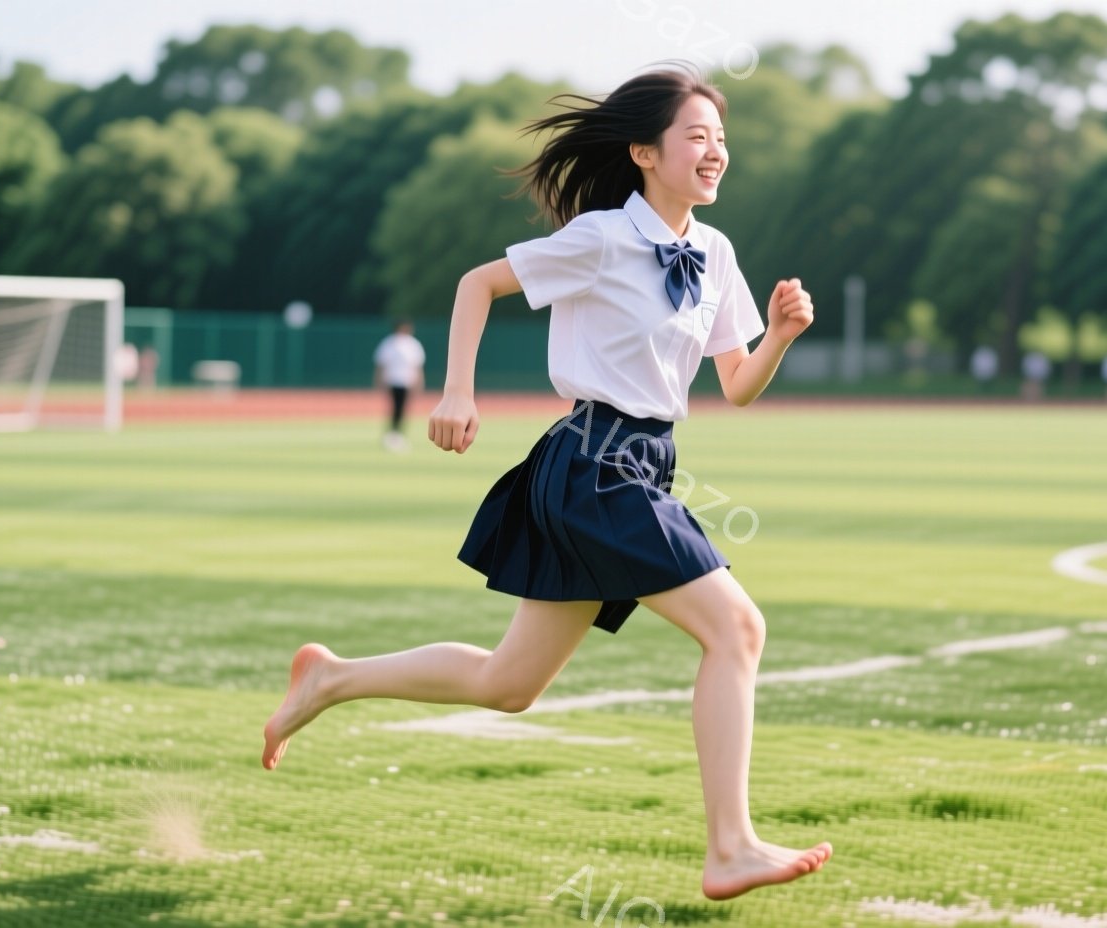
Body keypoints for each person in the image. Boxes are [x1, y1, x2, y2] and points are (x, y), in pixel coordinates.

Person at [261, 64, 830, 901]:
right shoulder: (602, 238)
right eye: (696, 137)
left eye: (720, 140)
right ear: (644, 151)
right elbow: (477, 285)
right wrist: (457, 390)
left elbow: (737, 385)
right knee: (737, 631)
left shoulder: (714, 253)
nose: (716, 153)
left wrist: (778, 335)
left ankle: (332, 678)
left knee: (509, 685)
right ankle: (730, 846)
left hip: (641, 467)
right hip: (593, 465)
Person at [373, 319, 426, 451]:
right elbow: (381, 364)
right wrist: (379, 379)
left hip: (406, 381)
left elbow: (417, 366)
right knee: (396, 408)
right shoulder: (390, 343)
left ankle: (396, 433)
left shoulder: (412, 344)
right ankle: (393, 433)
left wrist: (419, 381)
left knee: (401, 408)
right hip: (393, 380)